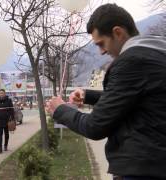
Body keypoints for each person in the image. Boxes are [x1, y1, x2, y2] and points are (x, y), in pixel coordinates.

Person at [46, 3, 166, 180]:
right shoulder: (155, 53)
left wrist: (61, 110)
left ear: (118, 32)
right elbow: (134, 99)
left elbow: (94, 126)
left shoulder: (131, 62)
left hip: (143, 168)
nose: (101, 52)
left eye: (101, 44)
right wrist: (89, 96)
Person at [0, 89, 14, 153]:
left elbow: (11, 110)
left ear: (5, 93)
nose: (1, 94)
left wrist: (12, 118)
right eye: (0, 93)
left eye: (2, 93)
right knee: (0, 134)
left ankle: (5, 146)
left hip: (7, 120)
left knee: (6, 134)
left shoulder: (9, 100)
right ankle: (0, 147)